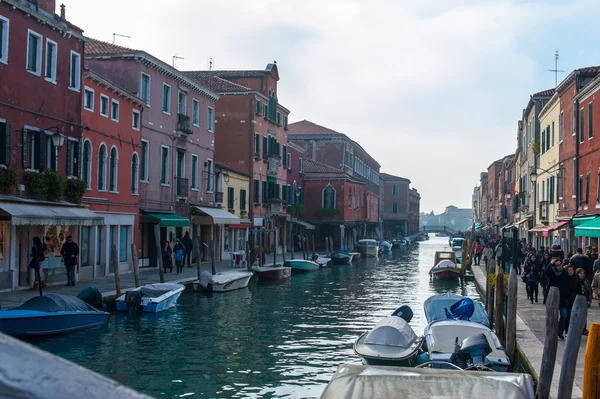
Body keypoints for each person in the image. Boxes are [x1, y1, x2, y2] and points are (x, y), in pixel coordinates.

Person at [546, 258, 567, 339]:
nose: (559, 266)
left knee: (564, 315)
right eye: (557, 265)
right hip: (553, 296)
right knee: (552, 315)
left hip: (562, 297)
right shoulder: (552, 272)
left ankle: (559, 331)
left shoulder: (564, 272)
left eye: (560, 264)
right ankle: (551, 331)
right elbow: (546, 271)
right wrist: (551, 263)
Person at [563, 265, 580, 337]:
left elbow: (579, 289)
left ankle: (574, 331)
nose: (570, 272)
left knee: (576, 315)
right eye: (569, 270)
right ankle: (567, 331)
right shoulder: (564, 278)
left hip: (575, 298)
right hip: (566, 299)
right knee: (567, 315)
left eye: (571, 270)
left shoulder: (576, 278)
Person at [576, 267, 592, 335]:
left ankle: (584, 329)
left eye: (583, 273)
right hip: (578, 300)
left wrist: (589, 300)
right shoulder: (575, 281)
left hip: (585, 299)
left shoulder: (585, 281)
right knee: (577, 315)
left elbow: (589, 291)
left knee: (584, 315)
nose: (582, 275)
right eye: (581, 273)